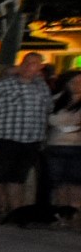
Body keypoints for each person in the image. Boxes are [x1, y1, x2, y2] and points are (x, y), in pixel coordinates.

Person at [0, 52, 53, 220]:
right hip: (4, 139)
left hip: (31, 140)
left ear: (40, 67)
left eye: (34, 63)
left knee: (17, 178)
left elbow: (48, 111)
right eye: (26, 62)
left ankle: (15, 212)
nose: (29, 66)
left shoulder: (42, 87)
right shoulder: (3, 85)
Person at [46, 71, 81, 220]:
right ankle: (61, 213)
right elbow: (50, 120)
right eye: (73, 81)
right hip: (55, 145)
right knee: (58, 181)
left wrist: (65, 123)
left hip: (77, 146)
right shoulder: (56, 99)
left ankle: (75, 212)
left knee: (75, 182)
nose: (77, 85)